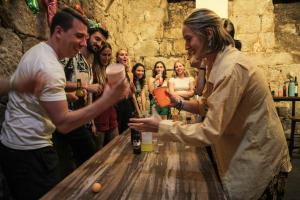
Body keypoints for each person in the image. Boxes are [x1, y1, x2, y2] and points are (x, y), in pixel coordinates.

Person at [129, 8, 291, 200]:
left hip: (258, 154)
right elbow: (207, 105)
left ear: (209, 34)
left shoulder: (231, 67)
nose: (186, 46)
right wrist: (180, 103)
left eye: (189, 39)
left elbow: (210, 131)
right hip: (245, 146)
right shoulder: (217, 62)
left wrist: (161, 126)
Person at [0, 7, 129, 200]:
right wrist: (107, 100)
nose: (83, 43)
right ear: (58, 31)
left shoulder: (38, 51)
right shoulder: (50, 66)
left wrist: (63, 96)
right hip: (29, 150)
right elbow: (64, 123)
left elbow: (39, 93)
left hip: (14, 144)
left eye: (85, 37)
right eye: (79, 36)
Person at [53, 17, 109, 178]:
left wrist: (90, 120)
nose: (98, 44)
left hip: (79, 119)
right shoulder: (69, 57)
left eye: (101, 42)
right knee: (85, 159)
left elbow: (87, 95)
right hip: (63, 116)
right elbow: (55, 83)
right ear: (88, 36)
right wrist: (84, 86)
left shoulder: (88, 65)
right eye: (97, 38)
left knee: (82, 161)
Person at [92, 43, 119, 149]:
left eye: (109, 55)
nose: (106, 58)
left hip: (111, 116)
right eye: (104, 55)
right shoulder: (94, 71)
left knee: (116, 149)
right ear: (98, 55)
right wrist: (92, 123)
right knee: (98, 153)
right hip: (99, 118)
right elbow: (90, 99)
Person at [115, 48, 137, 133]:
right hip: (119, 106)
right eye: (122, 54)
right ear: (117, 58)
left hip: (128, 104)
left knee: (130, 131)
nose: (125, 56)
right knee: (121, 131)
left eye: (126, 54)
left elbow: (133, 91)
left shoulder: (129, 73)